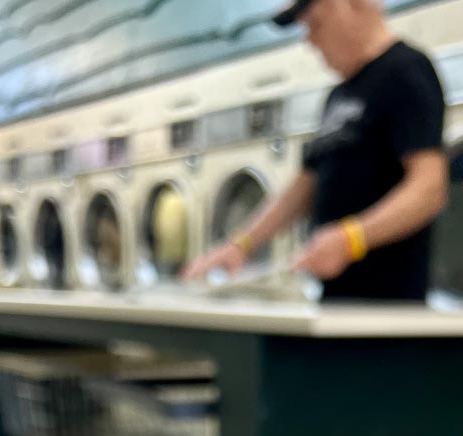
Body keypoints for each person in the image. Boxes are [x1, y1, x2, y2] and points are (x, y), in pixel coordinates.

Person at [184, 0, 447, 301]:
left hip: (386, 308)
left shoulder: (406, 70)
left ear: (351, 6)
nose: (310, 41)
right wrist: (240, 245)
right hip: (336, 302)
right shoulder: (338, 94)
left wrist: (351, 239)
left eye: (315, 24)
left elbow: (429, 189)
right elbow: (303, 187)